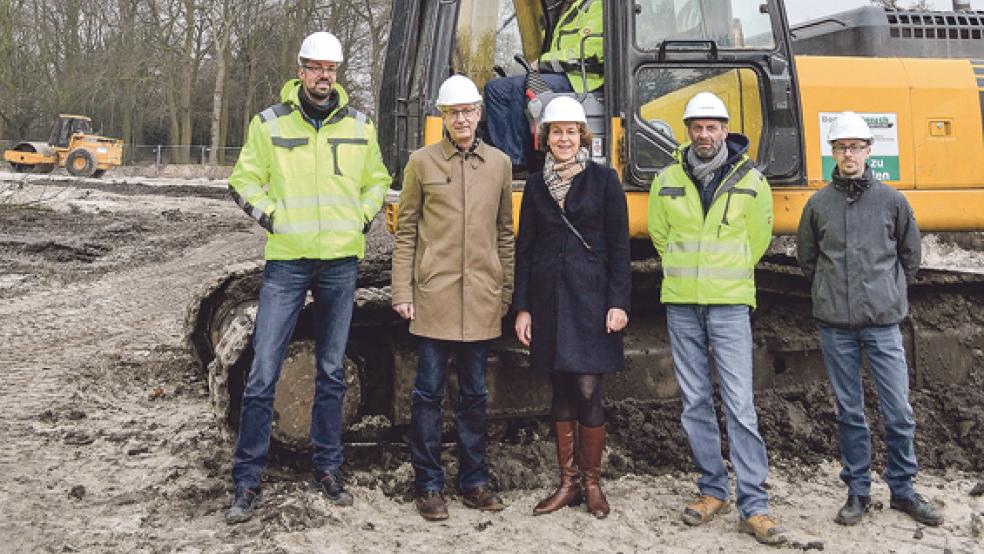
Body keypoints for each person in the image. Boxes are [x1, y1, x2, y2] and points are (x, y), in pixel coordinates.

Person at [223, 31, 391, 524]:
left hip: (341, 262)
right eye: (315, 68)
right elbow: (243, 180)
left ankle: (327, 467)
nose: (323, 77)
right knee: (262, 373)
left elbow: (378, 180)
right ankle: (246, 481)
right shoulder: (269, 123)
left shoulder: (360, 126)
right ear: (300, 70)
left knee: (332, 371)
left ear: (337, 74)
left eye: (331, 69)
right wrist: (275, 218)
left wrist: (360, 217)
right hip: (288, 262)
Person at [647, 92, 785, 545]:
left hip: (728, 304)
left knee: (740, 404)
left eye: (712, 127)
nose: (704, 135)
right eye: (697, 127)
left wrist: (723, 274)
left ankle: (754, 504)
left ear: (726, 130)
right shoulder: (667, 178)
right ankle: (712, 490)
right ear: (687, 130)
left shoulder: (751, 180)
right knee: (694, 402)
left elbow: (758, 236)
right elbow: (660, 236)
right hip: (683, 303)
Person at [796, 111, 941, 527]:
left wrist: (888, 293)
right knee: (850, 412)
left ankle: (904, 489)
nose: (849, 154)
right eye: (842, 147)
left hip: (882, 324)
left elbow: (910, 256)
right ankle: (857, 492)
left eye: (856, 147)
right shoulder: (819, 204)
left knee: (898, 410)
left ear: (868, 151)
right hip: (836, 327)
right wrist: (833, 293)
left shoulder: (893, 201)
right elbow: (808, 258)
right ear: (833, 152)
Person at [391, 75, 515, 521]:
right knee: (427, 394)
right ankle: (428, 485)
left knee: (475, 395)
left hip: (481, 297)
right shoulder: (421, 163)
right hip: (434, 298)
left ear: (479, 113)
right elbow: (406, 230)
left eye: (469, 111)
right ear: (444, 117)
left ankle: (474, 481)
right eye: (453, 112)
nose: (462, 119)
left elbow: (505, 232)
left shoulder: (499, 164)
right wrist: (403, 290)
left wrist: (505, 288)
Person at [513, 96, 630, 519]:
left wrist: (618, 302)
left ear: (582, 135)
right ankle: (567, 484)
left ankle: (592, 483)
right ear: (545, 139)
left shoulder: (604, 180)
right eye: (556, 132)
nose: (563, 138)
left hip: (592, 299)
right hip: (549, 300)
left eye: (570, 131)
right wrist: (522, 307)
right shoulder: (536, 184)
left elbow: (620, 248)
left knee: (588, 388)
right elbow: (525, 248)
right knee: (560, 389)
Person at [484, 0, 604, 168]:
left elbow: (591, 53)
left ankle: (514, 162)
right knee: (501, 87)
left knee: (500, 90)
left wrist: (543, 63)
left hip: (583, 79)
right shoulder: (574, 8)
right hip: (566, 75)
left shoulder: (599, 6)